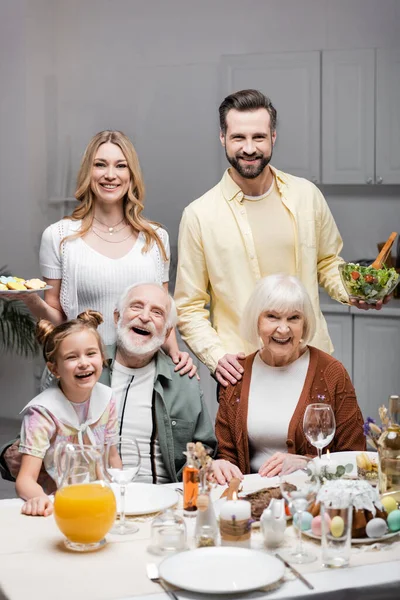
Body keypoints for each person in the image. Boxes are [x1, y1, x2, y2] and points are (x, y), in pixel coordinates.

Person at [175, 89, 388, 388]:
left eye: (259, 137)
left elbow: (327, 262)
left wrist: (357, 292)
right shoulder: (199, 215)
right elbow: (188, 306)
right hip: (242, 370)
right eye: (238, 138)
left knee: (320, 436)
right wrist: (217, 356)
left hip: (312, 362)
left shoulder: (306, 196)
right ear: (222, 138)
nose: (249, 148)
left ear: (273, 137)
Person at [19, 130, 194, 377]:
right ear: (88, 173)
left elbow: (161, 313)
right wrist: (31, 301)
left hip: (142, 374)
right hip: (81, 374)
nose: (110, 175)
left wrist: (176, 353)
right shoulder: (59, 236)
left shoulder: (156, 238)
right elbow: (58, 319)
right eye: (100, 165)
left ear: (131, 175)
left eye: (120, 166)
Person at [214, 274, 366, 483]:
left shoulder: (331, 373)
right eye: (272, 317)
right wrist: (221, 464)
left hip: (312, 499)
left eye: (294, 318)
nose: (283, 328)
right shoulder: (236, 374)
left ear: (304, 324)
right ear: (256, 321)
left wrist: (309, 463)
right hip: (250, 499)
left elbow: (355, 456)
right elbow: (226, 455)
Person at [99, 282, 227, 483]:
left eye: (157, 312)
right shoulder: (90, 368)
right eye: (136, 306)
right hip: (97, 497)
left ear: (167, 332)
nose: (144, 316)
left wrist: (203, 468)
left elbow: (205, 449)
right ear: (117, 317)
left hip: (162, 498)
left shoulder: (183, 380)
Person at [15, 311, 119, 517]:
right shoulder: (42, 413)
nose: (84, 362)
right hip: (60, 506)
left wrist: (118, 493)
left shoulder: (107, 399)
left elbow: (113, 458)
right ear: (54, 369)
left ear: (102, 356)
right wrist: (38, 498)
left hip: (98, 502)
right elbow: (25, 479)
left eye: (91, 353)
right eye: (71, 357)